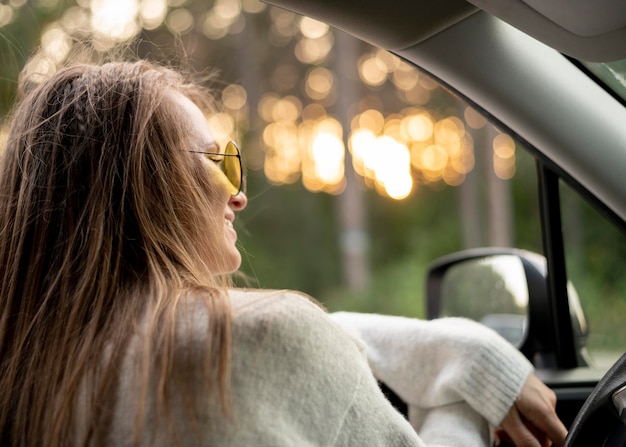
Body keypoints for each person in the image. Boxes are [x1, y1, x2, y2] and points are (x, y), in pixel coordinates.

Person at [0, 60, 567, 447]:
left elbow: (309, 343)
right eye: (220, 159)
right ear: (144, 185)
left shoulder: (31, 377)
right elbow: (281, 343)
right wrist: (468, 403)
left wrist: (461, 350)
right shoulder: (245, 346)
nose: (239, 193)